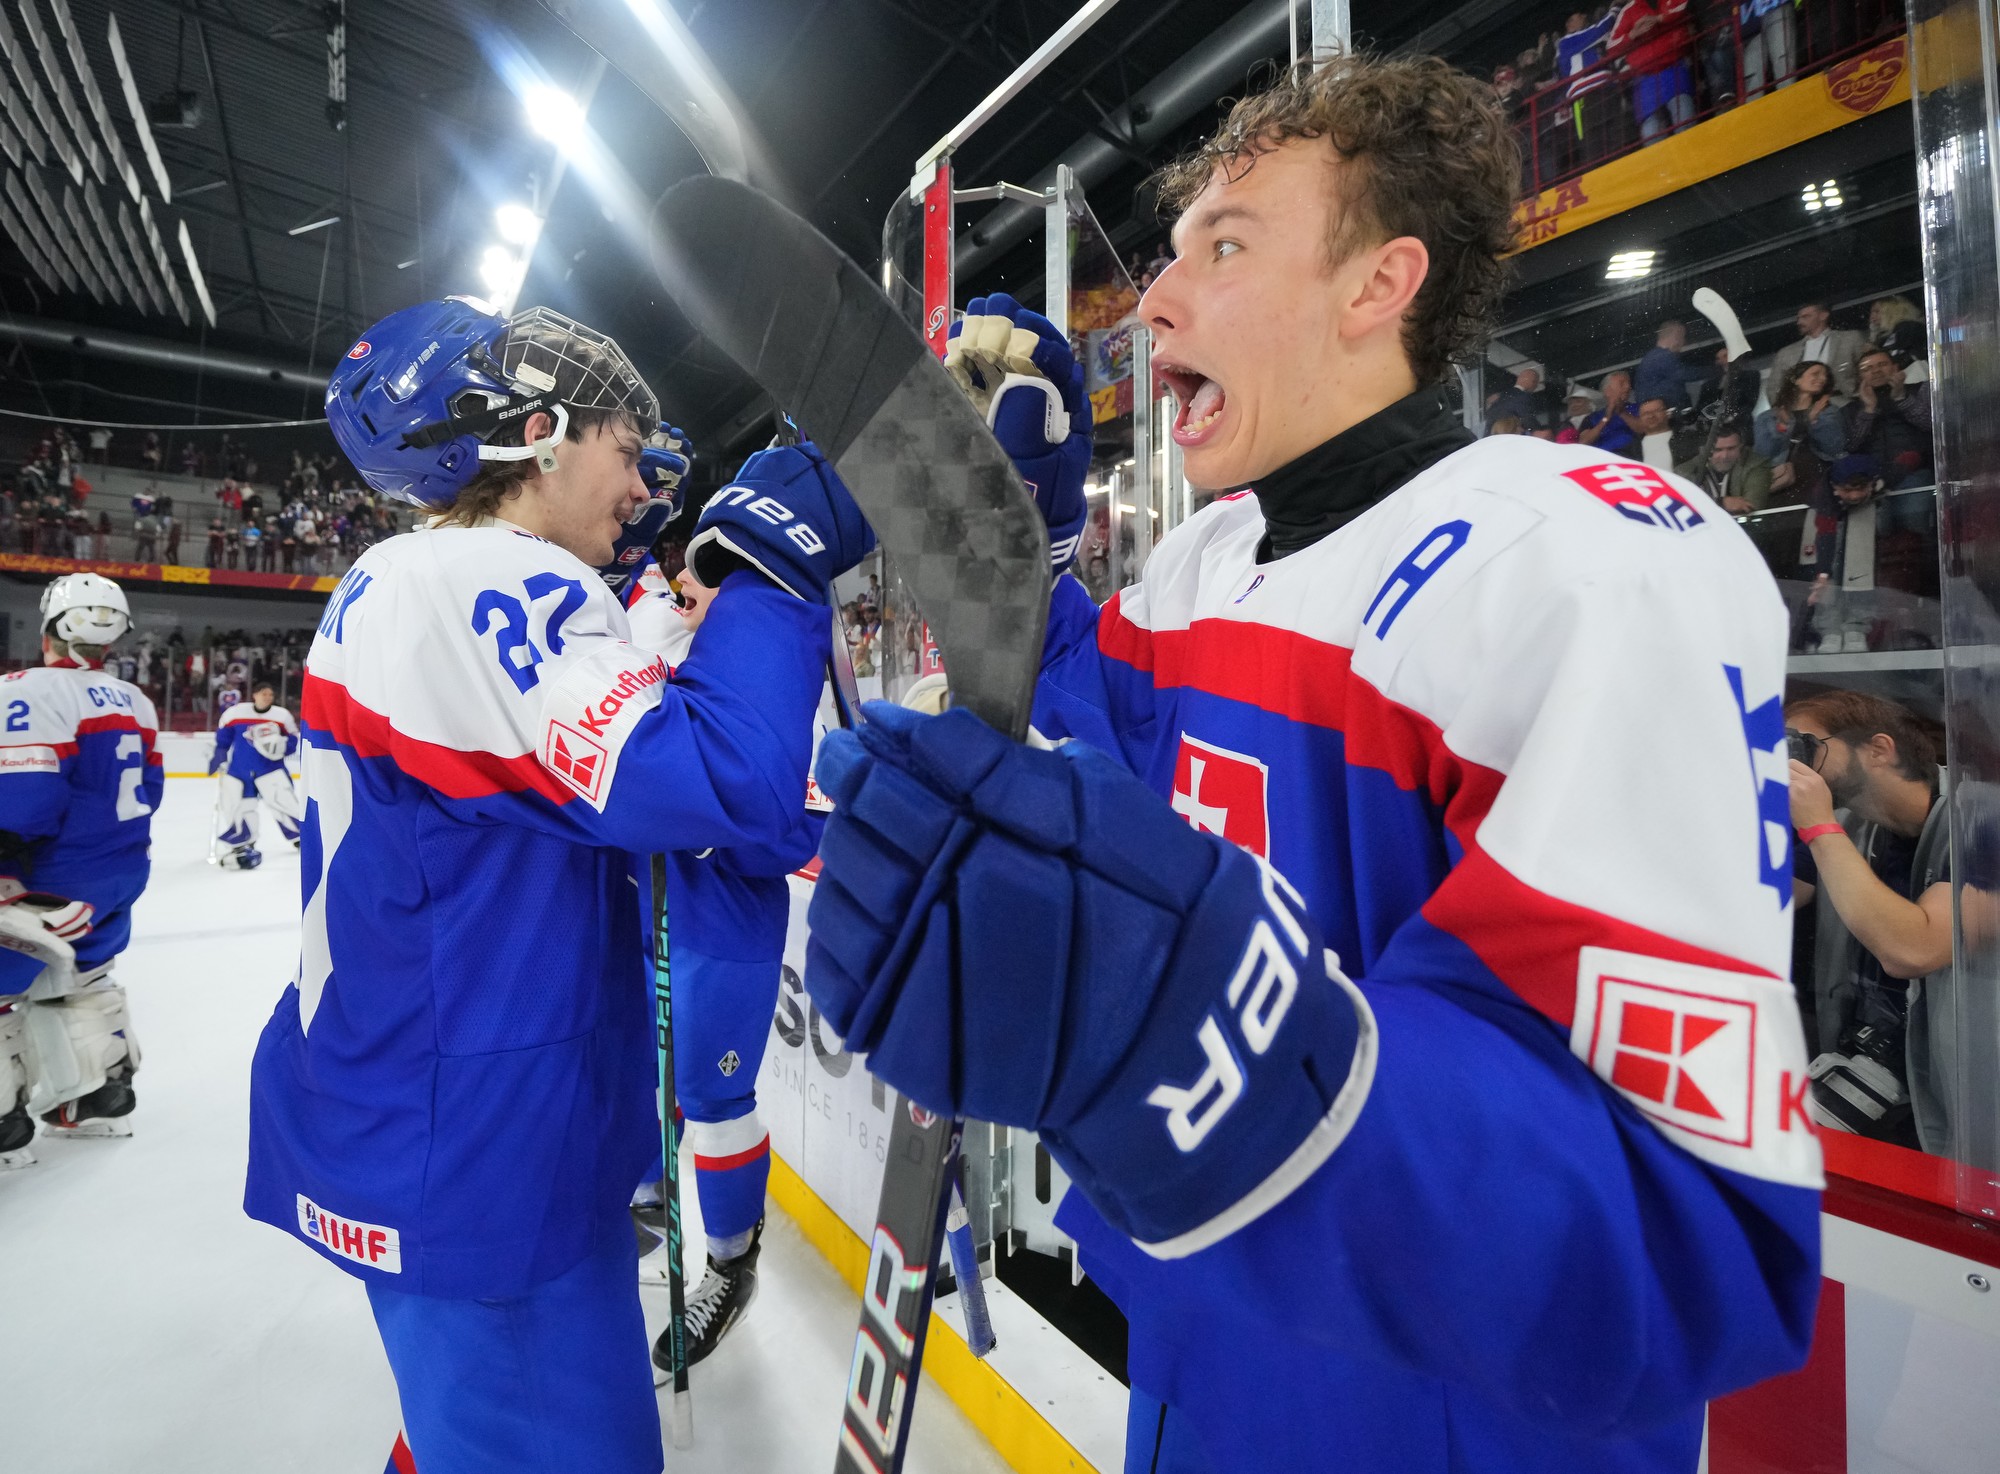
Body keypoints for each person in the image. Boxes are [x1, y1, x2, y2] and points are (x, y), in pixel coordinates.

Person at [801, 54, 1820, 1474]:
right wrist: (1007, 534)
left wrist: (1196, 1033)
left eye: (1222, 247)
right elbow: (1085, 730)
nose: (1154, 302)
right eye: (1169, 254)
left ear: (1377, 285)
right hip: (1202, 1341)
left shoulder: (1586, 567)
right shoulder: (1210, 559)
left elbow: (1677, 1226)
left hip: (1432, 1420)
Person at [242, 297, 870, 1474]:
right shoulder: (482, 579)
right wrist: (771, 561)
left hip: (423, 1107)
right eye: (624, 452)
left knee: (464, 1431)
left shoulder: (406, 574)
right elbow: (724, 782)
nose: (641, 487)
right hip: (476, 1151)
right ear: (537, 434)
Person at [622, 541, 825, 1369]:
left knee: (713, 1097)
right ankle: (645, 1205)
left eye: (705, 583)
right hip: (647, 912)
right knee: (645, 1072)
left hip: (724, 932)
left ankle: (731, 1265)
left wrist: (701, 821)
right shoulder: (654, 653)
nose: (684, 591)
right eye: (684, 579)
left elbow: (799, 829)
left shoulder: (780, 687)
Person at [0, 574, 161, 1168]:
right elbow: (151, 791)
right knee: (85, 979)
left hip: (45, 878)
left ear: (50, 628)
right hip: (117, 875)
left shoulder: (26, 690)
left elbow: (25, 802)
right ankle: (93, 1099)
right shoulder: (135, 699)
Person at [1787, 691, 1952, 1152]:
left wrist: (1819, 827)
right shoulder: (1849, 826)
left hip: (1964, 1085)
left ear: (1879, 750)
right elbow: (1763, 903)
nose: (1795, 766)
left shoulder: (1982, 825)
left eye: (1805, 747)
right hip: (1871, 1054)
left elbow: (1912, 950)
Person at [207, 680, 304, 870]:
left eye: (270, 694)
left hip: (270, 768)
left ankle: (301, 838)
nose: (267, 697)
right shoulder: (235, 713)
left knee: (283, 802)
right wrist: (219, 753)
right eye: (263, 693)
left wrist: (282, 746)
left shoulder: (281, 716)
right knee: (241, 806)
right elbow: (224, 737)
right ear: (255, 695)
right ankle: (245, 840)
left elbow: (293, 739)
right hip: (240, 770)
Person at [1842, 345, 1933, 488]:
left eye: (1882, 364)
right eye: (1867, 369)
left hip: (1916, 472)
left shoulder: (1921, 389)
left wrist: (1901, 398)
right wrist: (1868, 410)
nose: (1876, 371)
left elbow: (1931, 425)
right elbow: (1852, 446)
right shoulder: (1850, 409)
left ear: (1895, 368)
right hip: (1869, 481)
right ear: (1860, 377)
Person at [1756, 359, 1845, 504]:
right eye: (1815, 374)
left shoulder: (1829, 412)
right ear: (1796, 380)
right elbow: (1763, 453)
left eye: (1825, 376)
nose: (1822, 379)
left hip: (1820, 478)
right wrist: (1783, 427)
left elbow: (1834, 448)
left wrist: (1815, 422)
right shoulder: (1769, 417)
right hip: (1781, 479)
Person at [1610, 0, 1695, 141]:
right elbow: (1612, 46)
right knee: (1651, 133)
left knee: (1685, 124)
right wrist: (1633, 34)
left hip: (1672, 67)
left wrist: (1659, 18)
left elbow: (1682, 5)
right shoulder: (1628, 11)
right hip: (1645, 79)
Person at [1766, 300, 1868, 399]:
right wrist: (1784, 407)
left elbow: (1867, 369)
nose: (1799, 322)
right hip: (1802, 406)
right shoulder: (1786, 353)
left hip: (1843, 401)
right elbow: (1774, 387)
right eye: (1798, 318)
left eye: (1806, 317)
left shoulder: (1850, 339)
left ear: (1823, 315)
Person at [1676, 423, 1773, 513]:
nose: (1724, 456)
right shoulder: (1685, 471)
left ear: (1741, 447)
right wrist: (1721, 503)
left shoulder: (1756, 464)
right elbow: (1679, 507)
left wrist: (1706, 505)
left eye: (1731, 449)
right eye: (1718, 450)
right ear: (1704, 450)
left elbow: (1752, 506)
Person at [1577, 367, 1640, 453]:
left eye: (1629, 383)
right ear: (1607, 391)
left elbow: (1644, 429)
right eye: (1622, 383)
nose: (1628, 387)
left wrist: (1622, 413)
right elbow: (1583, 442)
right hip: (1603, 459)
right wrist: (1606, 418)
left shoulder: (1638, 408)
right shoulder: (1592, 418)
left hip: (1631, 456)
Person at [1868, 294, 1927, 382]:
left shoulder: (1908, 328)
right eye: (1871, 313)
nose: (1872, 317)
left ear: (1892, 311)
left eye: (1877, 312)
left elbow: (1894, 358)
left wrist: (1876, 351)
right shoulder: (1885, 336)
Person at [1632, 318, 1689, 409]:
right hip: (1661, 411)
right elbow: (1684, 374)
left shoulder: (1654, 356)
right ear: (1675, 336)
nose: (1683, 342)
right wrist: (1712, 370)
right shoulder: (1662, 356)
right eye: (1681, 337)